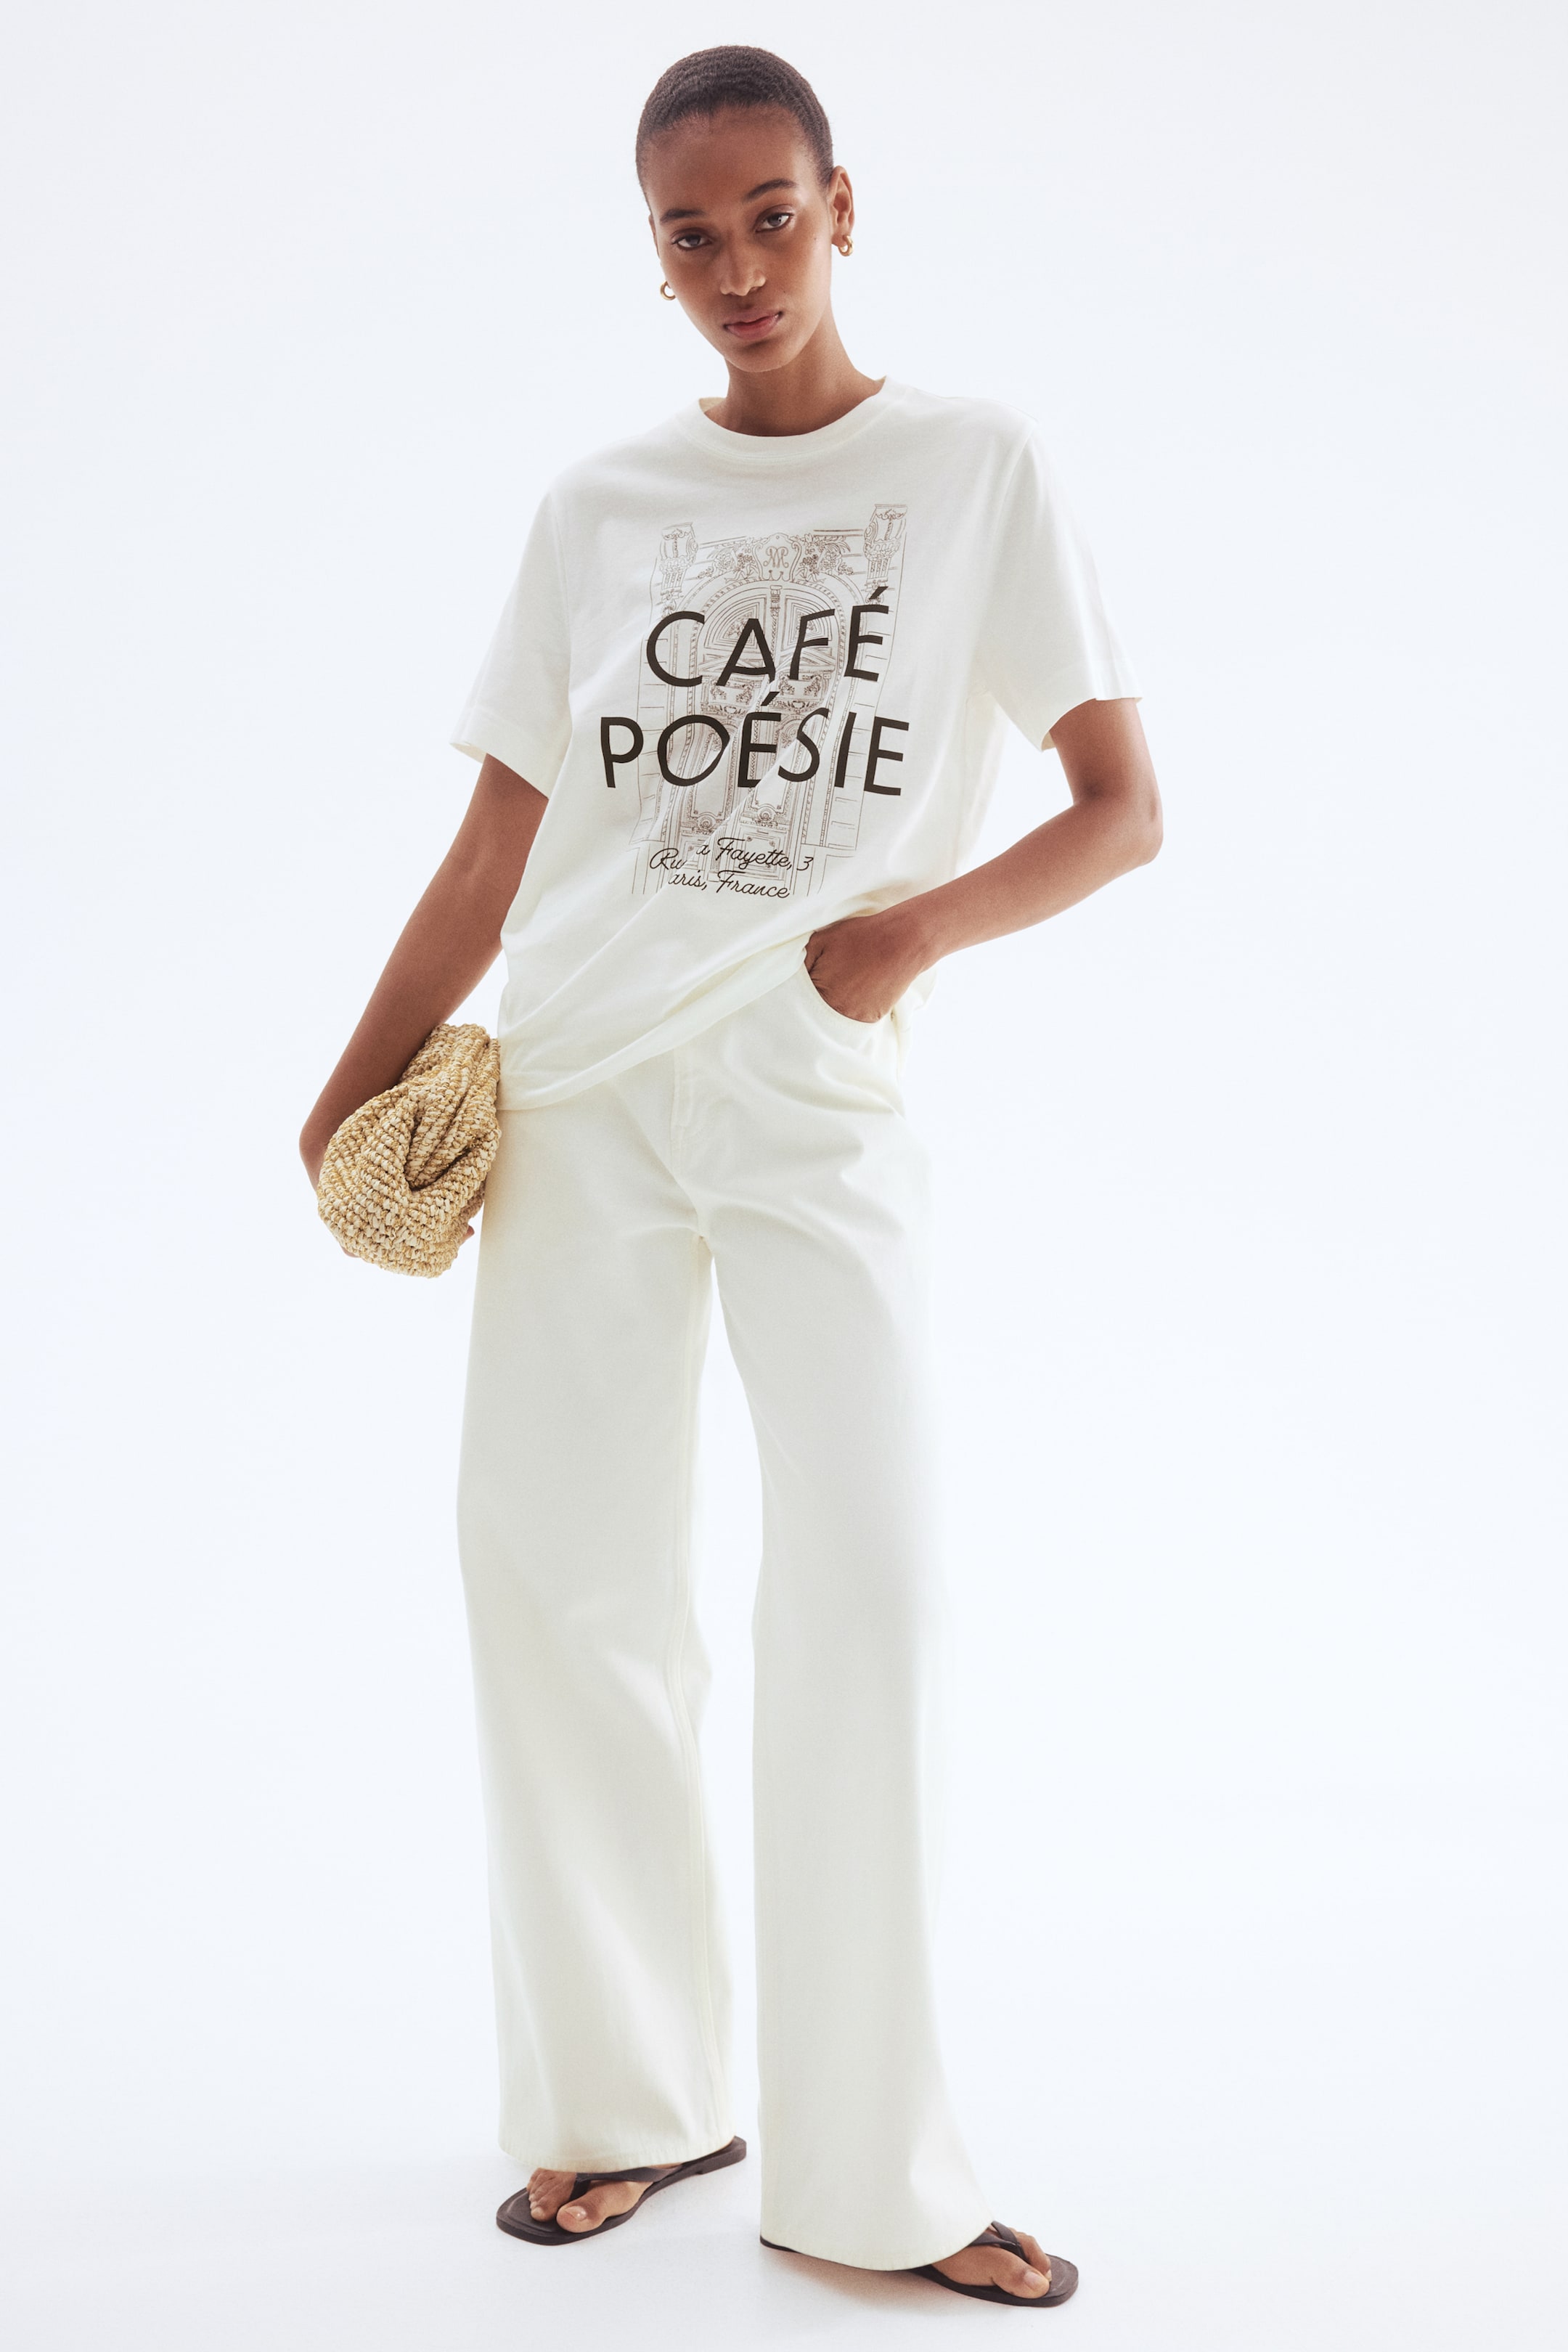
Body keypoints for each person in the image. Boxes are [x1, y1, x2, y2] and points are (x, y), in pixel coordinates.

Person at [301, 44, 1160, 2312]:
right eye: (694, 234)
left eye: (774, 214)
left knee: (870, 1594)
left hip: (808, 1094)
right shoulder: (599, 508)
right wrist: (348, 1086)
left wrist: (906, 937)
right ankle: (628, 2103)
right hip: (579, 1089)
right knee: (560, 1584)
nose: (742, 265)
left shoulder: (974, 466)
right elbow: (495, 849)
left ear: (843, 207)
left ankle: (876, 2174)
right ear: (655, 258)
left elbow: (1119, 805)